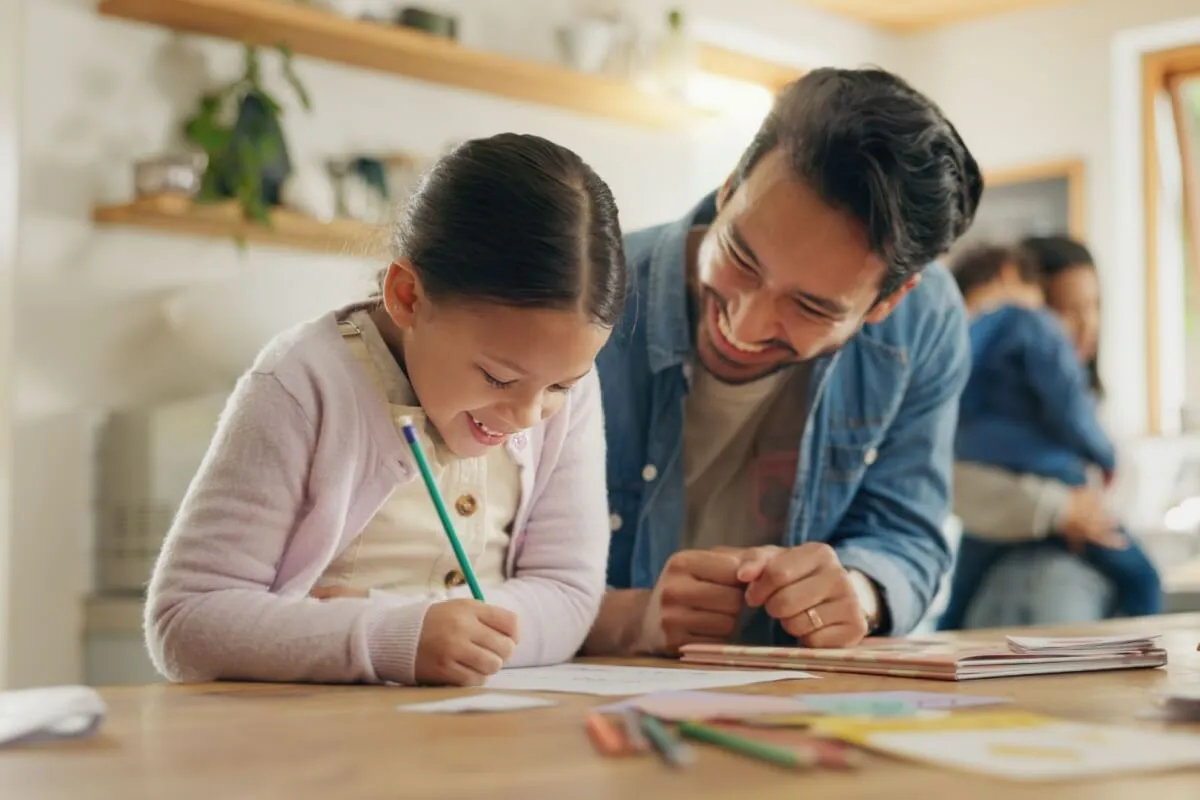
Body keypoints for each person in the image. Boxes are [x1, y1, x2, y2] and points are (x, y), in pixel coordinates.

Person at [145, 133, 625, 687]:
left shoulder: (560, 392)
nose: (526, 415)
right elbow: (186, 620)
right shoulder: (302, 384)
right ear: (407, 296)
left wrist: (415, 622)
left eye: (561, 385)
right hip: (311, 750)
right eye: (498, 377)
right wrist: (389, 636)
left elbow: (568, 596)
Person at [583, 67, 983, 658]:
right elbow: (473, 567)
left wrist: (858, 591)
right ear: (727, 189)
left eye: (811, 306)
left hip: (800, 698)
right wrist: (630, 618)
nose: (743, 326)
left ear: (888, 300)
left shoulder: (923, 322)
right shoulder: (587, 296)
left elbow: (905, 533)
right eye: (741, 257)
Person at [943, 237, 1162, 629]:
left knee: (956, 608)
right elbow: (959, 486)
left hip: (1062, 550)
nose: (1086, 323)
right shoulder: (1029, 343)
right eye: (1068, 309)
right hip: (1028, 562)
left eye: (1094, 307)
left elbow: (1126, 486)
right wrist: (1061, 510)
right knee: (1143, 580)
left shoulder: (1096, 396)